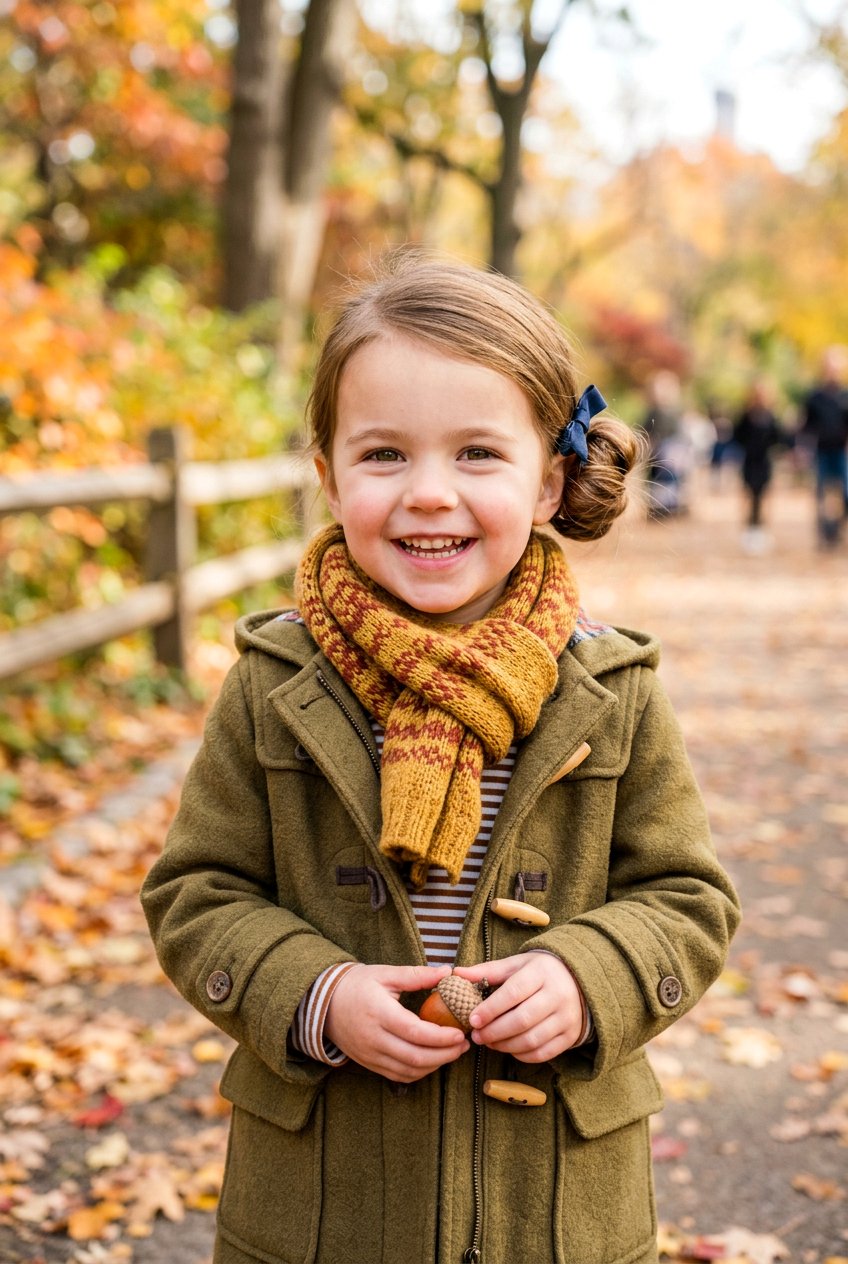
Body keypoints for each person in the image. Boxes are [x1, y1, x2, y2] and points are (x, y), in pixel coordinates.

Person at [141, 256, 740, 1264]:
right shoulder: (273, 680)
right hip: (325, 1205)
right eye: (382, 455)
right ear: (327, 474)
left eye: (474, 454)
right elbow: (195, 891)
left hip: (553, 1205)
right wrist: (314, 992)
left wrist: (587, 975)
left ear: (546, 480)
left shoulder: (612, 685)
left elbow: (684, 896)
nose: (427, 495)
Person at [732, 380, 791, 552]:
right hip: (750, 461)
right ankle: (749, 529)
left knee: (764, 497)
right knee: (749, 496)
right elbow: (737, 436)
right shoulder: (746, 415)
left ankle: (762, 530)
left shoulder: (771, 416)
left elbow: (779, 438)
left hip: (764, 462)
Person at [800, 346, 848, 546]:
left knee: (845, 494)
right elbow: (807, 425)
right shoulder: (814, 397)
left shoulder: (845, 396)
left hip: (841, 451)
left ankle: (836, 529)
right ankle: (823, 534)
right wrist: (802, 449)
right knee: (820, 493)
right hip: (821, 450)